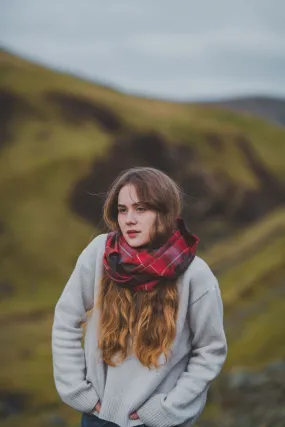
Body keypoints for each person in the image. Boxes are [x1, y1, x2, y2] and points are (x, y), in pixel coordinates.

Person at [52, 166, 227, 427]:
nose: (129, 219)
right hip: (98, 418)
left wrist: (169, 409)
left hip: (158, 422)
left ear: (164, 212)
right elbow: (66, 320)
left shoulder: (195, 275)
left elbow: (210, 350)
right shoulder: (100, 253)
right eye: (123, 210)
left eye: (141, 209)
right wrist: (78, 391)